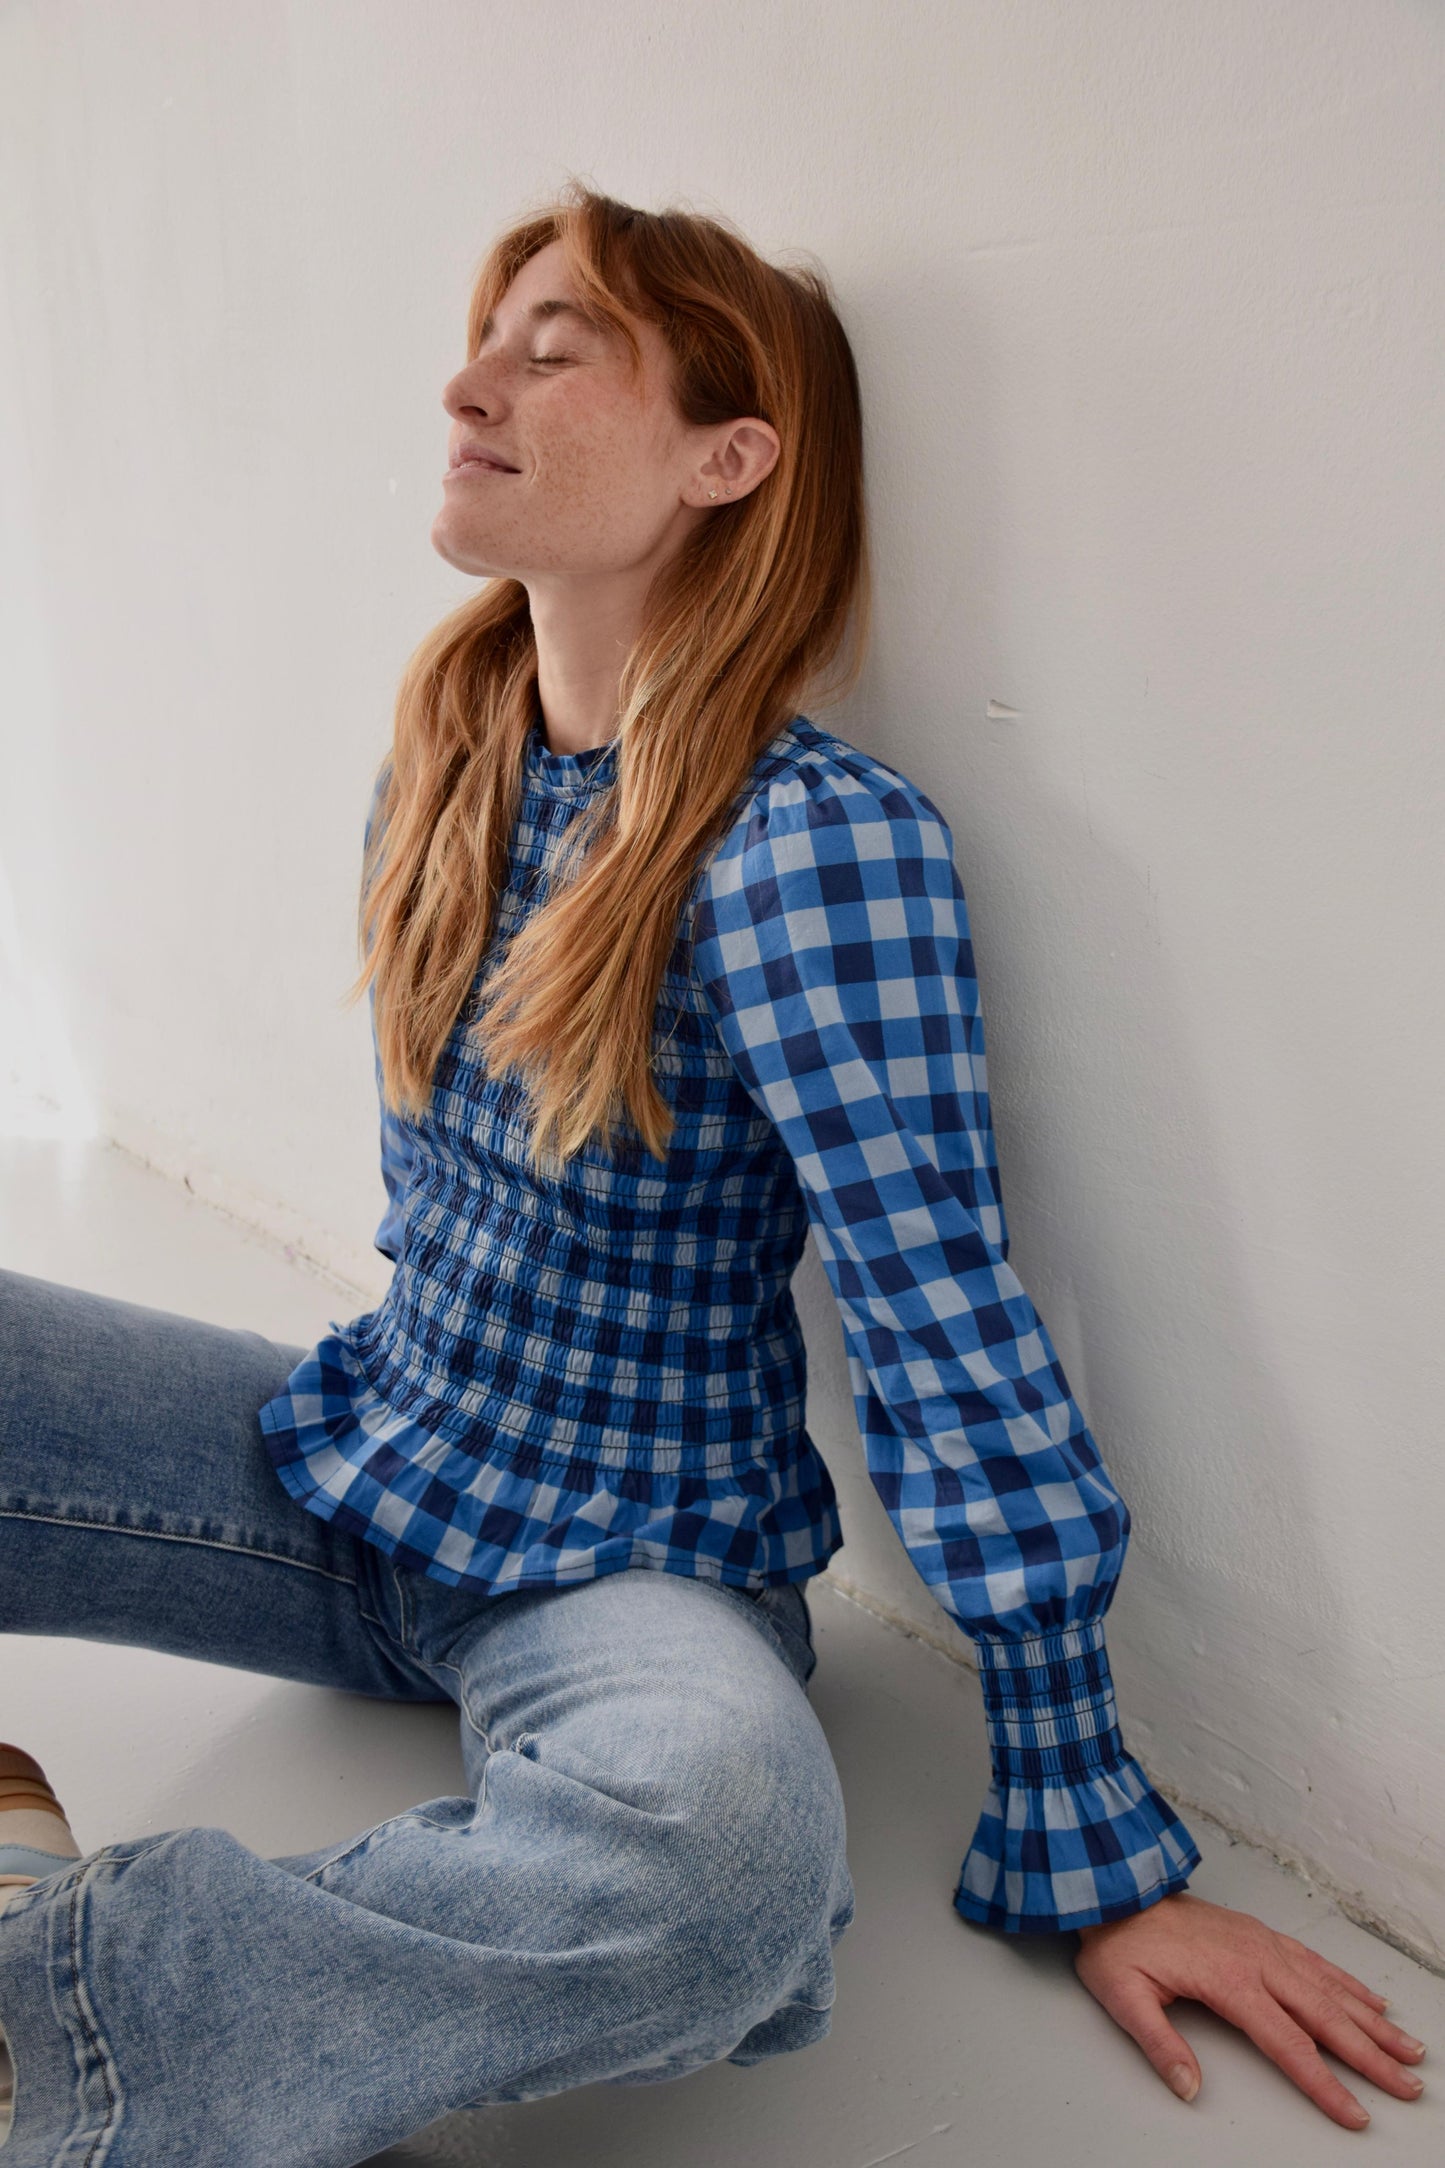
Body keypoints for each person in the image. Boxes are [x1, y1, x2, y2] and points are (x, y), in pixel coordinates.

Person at [0, 181, 1427, 2166]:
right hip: (373, 1452)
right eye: (484, 333)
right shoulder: (454, 752)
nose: (468, 379)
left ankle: (47, 2013)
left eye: (552, 344)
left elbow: (949, 1329)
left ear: (724, 456)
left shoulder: (808, 849)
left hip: (633, 1566)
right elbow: (446, 1232)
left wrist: (1085, 1832)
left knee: (725, 1868)